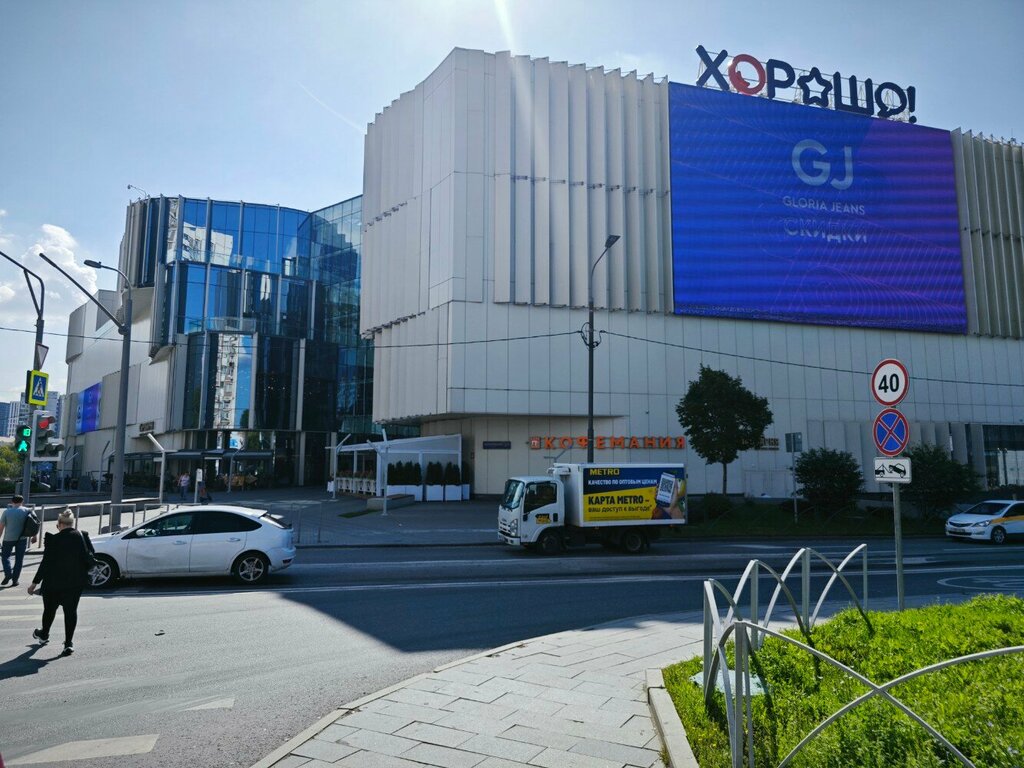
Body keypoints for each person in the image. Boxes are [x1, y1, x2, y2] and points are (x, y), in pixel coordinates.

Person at [27, 509, 94, 656]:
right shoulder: (82, 536)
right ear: (72, 523)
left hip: (53, 583)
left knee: (49, 610)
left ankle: (44, 634)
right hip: (75, 583)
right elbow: (90, 557)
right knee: (71, 612)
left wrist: (34, 583)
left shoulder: (53, 539)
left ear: (59, 525)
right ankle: (68, 643)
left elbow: (45, 563)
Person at [0, 495, 35, 587]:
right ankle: (15, 580)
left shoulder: (6, 512)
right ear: (22, 501)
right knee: (19, 560)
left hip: (8, 538)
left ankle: (8, 574)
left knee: (5, 557)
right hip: (22, 538)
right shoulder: (28, 511)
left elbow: (1, 527)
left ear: (12, 502)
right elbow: (34, 524)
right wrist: (34, 536)